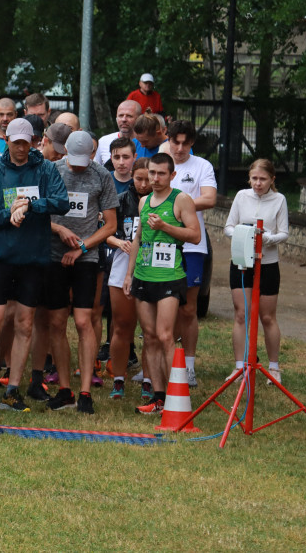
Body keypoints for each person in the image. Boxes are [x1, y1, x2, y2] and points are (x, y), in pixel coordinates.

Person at [0, 118, 69, 413]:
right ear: (8, 141)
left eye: (26, 142)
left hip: (33, 258)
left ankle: (13, 389)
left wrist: (29, 205)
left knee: (25, 323)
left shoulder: (46, 169)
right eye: (16, 142)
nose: (21, 148)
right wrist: (6, 214)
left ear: (34, 142)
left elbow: (61, 202)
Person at [41, 132, 118, 414]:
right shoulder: (51, 170)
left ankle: (85, 391)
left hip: (87, 257)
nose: (77, 166)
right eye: (73, 160)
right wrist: (58, 229)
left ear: (93, 152)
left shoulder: (101, 176)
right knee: (57, 321)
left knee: (85, 321)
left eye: (82, 161)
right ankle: (64, 389)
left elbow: (110, 225)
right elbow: (39, 211)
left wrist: (82, 247)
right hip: (53, 255)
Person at [124, 153, 200, 415]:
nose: (154, 179)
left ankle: (176, 396)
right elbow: (138, 238)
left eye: (160, 174)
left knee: (166, 335)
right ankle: (158, 397)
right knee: (150, 337)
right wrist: (129, 274)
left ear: (172, 175)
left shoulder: (181, 199)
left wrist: (167, 226)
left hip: (170, 275)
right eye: (151, 173)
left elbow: (195, 235)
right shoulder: (144, 201)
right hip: (144, 274)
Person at [224, 159, 289, 382]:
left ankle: (273, 368)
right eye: (254, 179)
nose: (258, 184)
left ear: (272, 179)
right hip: (242, 261)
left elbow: (284, 232)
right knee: (241, 314)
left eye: (263, 179)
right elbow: (229, 226)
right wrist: (245, 234)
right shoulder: (242, 196)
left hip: (268, 262)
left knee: (267, 316)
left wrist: (267, 237)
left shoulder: (279, 199)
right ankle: (240, 366)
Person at [165, 120, 217, 387]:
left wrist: (178, 206)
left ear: (193, 143)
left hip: (192, 247)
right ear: (168, 138)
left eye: (186, 143)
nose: (181, 147)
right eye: (176, 141)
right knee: (162, 307)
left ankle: (189, 366)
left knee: (187, 309)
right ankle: (160, 365)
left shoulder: (202, 166)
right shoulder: (160, 161)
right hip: (161, 244)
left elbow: (209, 198)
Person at [107, 156, 151, 400]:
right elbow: (105, 232)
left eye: (149, 178)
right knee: (122, 326)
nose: (144, 184)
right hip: (122, 265)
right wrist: (119, 242)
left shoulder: (162, 202)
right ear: (132, 177)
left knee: (149, 330)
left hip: (152, 266)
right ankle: (118, 379)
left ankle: (148, 379)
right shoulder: (121, 200)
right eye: (139, 178)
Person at [96, 100, 142, 166]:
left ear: (139, 119)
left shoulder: (145, 143)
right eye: (121, 115)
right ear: (116, 118)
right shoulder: (103, 142)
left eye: (129, 116)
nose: (124, 120)